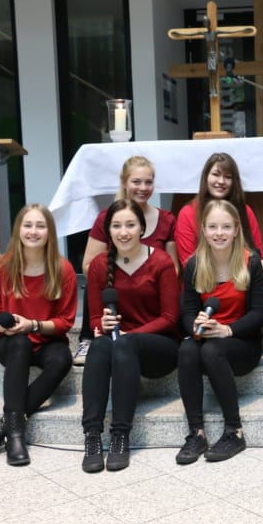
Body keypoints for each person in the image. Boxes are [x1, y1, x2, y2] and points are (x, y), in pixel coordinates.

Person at [81, 199, 180, 473]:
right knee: (98, 347)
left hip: (159, 350)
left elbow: (170, 318)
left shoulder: (161, 262)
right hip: (117, 348)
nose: (123, 232)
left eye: (130, 225)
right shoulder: (100, 265)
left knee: (120, 344)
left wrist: (128, 335)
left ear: (142, 229)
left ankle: (120, 435)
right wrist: (102, 322)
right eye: (116, 226)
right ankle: (91, 436)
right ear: (108, 231)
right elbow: (92, 320)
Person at [0, 203, 76, 466]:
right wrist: (7, 326)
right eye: (28, 225)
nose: (33, 231)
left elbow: (65, 322)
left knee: (62, 359)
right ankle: (17, 436)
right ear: (18, 230)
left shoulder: (63, 269)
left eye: (40, 226)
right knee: (18, 344)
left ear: (49, 232)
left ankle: (0, 431)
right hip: (10, 342)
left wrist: (32, 324)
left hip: (45, 338)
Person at [176, 200, 263, 464]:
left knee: (213, 350)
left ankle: (234, 431)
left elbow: (260, 313)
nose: (219, 233)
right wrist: (196, 325)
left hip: (241, 341)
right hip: (207, 337)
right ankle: (196, 433)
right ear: (203, 230)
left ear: (237, 229)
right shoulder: (194, 264)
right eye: (213, 226)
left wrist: (227, 329)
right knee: (186, 349)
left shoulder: (251, 262)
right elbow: (188, 312)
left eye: (226, 227)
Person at [73, 155, 178, 366]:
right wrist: (121, 277)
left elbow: (173, 268)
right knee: (96, 283)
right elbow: (88, 265)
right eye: (136, 182)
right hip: (115, 293)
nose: (143, 187)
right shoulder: (107, 217)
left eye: (148, 182)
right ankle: (87, 339)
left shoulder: (166, 219)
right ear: (124, 183)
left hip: (150, 292)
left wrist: (146, 276)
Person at [175, 152, 263, 267]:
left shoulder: (245, 211)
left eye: (227, 177)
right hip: (202, 279)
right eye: (216, 174)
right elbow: (188, 263)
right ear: (206, 177)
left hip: (243, 277)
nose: (221, 181)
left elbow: (259, 256)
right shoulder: (188, 213)